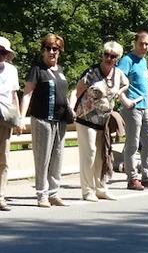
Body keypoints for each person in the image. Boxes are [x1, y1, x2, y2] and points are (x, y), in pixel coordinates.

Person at [74, 42, 131, 202]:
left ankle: (100, 188)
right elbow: (77, 90)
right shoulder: (92, 72)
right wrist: (72, 108)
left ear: (118, 59)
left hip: (103, 121)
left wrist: (119, 93)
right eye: (106, 54)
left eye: (113, 56)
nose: (109, 58)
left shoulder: (118, 74)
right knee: (90, 152)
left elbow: (126, 84)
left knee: (102, 155)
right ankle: (87, 190)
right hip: (85, 117)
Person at [20, 34, 72, 206]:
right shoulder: (37, 69)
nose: (51, 52)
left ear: (60, 51)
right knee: (42, 158)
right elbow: (27, 94)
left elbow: (63, 93)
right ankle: (42, 194)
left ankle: (53, 193)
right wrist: (21, 118)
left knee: (57, 157)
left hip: (60, 121)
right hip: (42, 119)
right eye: (48, 48)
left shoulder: (61, 70)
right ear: (43, 50)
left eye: (55, 49)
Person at [117, 31, 148, 191]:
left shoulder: (144, 61)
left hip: (145, 107)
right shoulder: (127, 60)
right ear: (135, 43)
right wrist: (125, 100)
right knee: (132, 143)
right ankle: (132, 178)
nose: (144, 47)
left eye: (147, 44)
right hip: (132, 108)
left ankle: (147, 176)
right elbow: (117, 81)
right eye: (141, 43)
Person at [0, 36, 22, 211]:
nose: (0, 55)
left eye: (3, 52)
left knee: (4, 158)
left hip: (6, 117)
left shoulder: (11, 70)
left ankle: (0, 196)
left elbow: (14, 95)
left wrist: (19, 119)